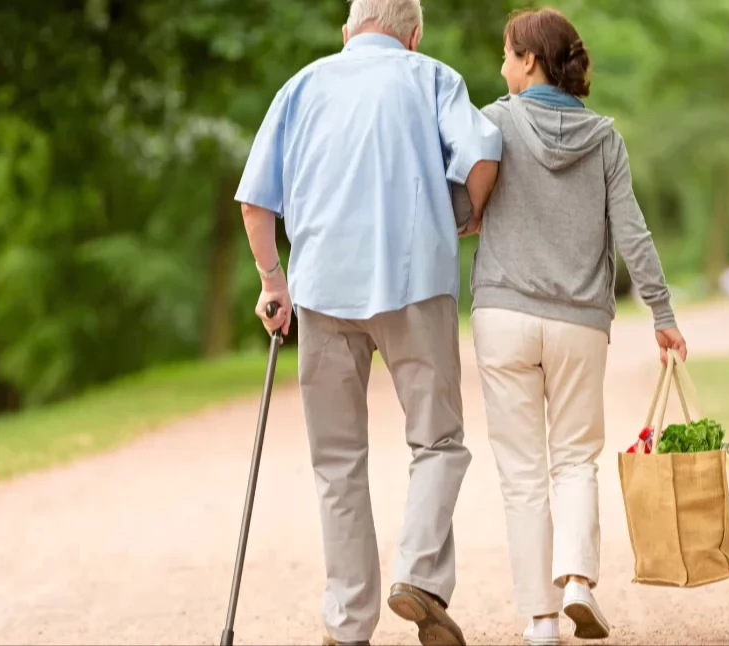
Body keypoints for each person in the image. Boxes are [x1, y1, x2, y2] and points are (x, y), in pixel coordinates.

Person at [234, 0, 502, 644]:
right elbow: (483, 155)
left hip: (322, 290)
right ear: (413, 35)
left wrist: (274, 283)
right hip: (414, 285)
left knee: (336, 461)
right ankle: (419, 577)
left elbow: (254, 202)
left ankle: (348, 624)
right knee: (438, 443)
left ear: (347, 32)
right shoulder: (433, 77)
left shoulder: (302, 85)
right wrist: (468, 216)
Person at [454, 7, 687, 645]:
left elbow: (459, 206)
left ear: (530, 61)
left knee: (523, 474)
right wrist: (661, 314)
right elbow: (632, 234)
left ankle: (539, 621)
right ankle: (579, 580)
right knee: (575, 460)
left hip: (504, 316)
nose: (501, 68)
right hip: (580, 323)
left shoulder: (494, 122)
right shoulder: (606, 138)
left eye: (507, 55)